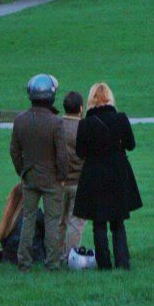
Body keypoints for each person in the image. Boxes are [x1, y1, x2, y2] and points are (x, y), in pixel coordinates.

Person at [73, 82, 142, 271]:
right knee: (118, 221)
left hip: (94, 174)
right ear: (110, 98)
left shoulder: (86, 124)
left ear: (91, 100)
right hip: (117, 173)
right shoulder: (120, 119)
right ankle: (122, 262)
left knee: (99, 222)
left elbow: (80, 152)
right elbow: (131, 145)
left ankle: (104, 264)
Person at [9, 73, 69, 272]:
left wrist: (22, 171)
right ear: (51, 96)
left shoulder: (20, 120)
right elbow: (62, 155)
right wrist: (62, 176)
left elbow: (14, 151)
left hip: (30, 177)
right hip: (52, 179)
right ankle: (52, 263)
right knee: (53, 221)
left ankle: (24, 262)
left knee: (28, 219)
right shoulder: (56, 122)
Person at [58, 90, 86, 261]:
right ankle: (71, 257)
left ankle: (56, 255)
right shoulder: (84, 127)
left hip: (59, 182)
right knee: (76, 222)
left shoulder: (57, 125)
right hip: (79, 182)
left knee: (58, 221)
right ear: (81, 108)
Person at [0, 183, 46, 264]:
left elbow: (3, 238)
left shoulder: (9, 216)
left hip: (10, 257)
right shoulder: (36, 213)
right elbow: (47, 235)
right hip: (34, 256)